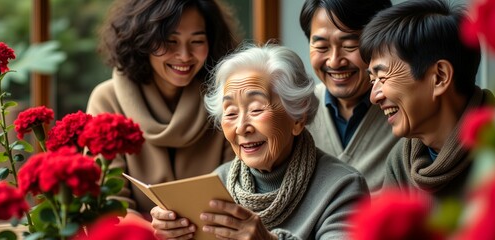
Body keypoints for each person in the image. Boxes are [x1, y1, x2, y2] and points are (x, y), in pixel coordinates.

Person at [150, 44, 370, 239]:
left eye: (256, 109)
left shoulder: (342, 186)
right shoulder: (217, 182)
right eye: (231, 113)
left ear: (298, 118)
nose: (241, 127)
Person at [86, 0, 240, 220]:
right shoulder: (107, 100)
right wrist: (154, 231)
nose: (185, 55)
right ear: (143, 40)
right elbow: (106, 203)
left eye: (197, 41)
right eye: (170, 41)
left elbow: (236, 194)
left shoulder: (224, 100)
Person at [360, 0, 495, 198]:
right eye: (372, 80)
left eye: (382, 78)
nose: (374, 97)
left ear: (440, 77)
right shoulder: (401, 160)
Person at [299, 0, 401, 193]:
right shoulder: (295, 113)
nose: (335, 61)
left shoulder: (407, 113)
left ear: (380, 43)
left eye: (349, 45)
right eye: (322, 47)